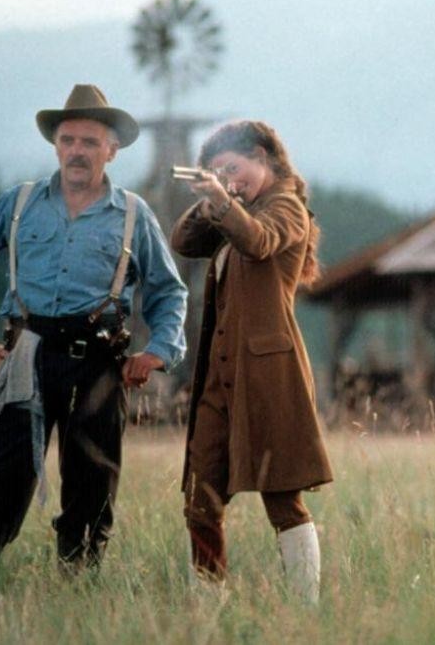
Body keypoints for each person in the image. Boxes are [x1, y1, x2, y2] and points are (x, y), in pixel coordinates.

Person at [0, 84, 188, 583]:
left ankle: (76, 593)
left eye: (90, 142)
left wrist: (157, 352)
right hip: (25, 357)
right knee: (4, 479)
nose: (77, 150)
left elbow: (169, 293)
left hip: (99, 363)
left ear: (111, 150)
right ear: (56, 145)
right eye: (69, 140)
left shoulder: (135, 216)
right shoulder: (21, 202)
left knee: (92, 486)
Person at [170, 120, 333, 603]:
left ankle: (305, 611)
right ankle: (208, 610)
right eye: (217, 170)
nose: (229, 178)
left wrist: (223, 201)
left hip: (268, 377)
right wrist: (212, 200)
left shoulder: (285, 206)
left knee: (283, 499)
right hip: (220, 382)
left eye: (234, 168)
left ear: (264, 157)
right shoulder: (232, 210)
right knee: (200, 498)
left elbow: (259, 241)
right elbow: (183, 241)